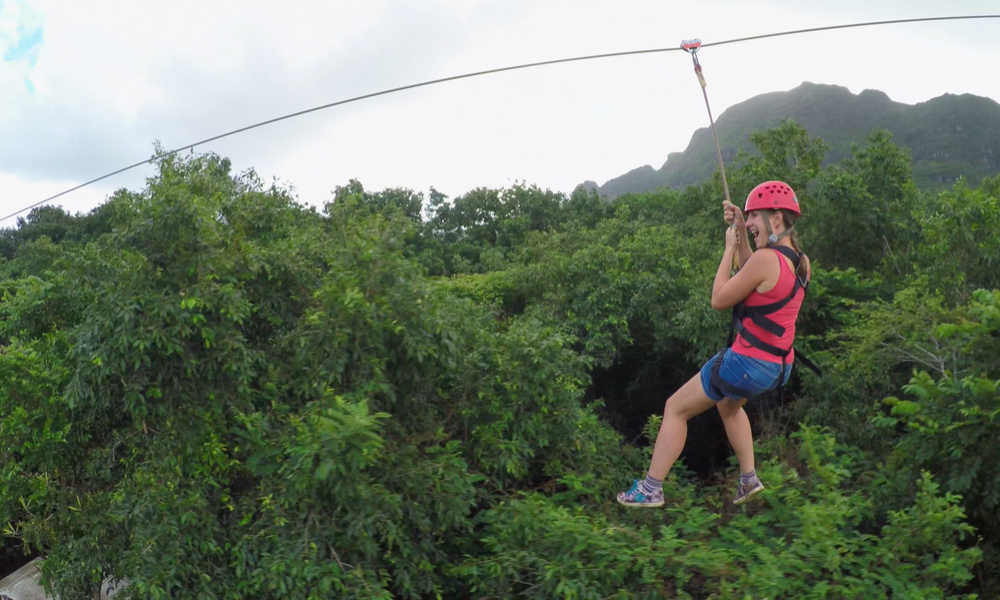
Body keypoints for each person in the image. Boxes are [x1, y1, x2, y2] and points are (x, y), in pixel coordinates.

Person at [617, 180, 812, 508]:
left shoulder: (766, 261)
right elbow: (758, 272)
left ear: (776, 218)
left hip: (747, 363)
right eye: (746, 218)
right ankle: (749, 478)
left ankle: (651, 488)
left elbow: (720, 298)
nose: (749, 224)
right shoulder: (801, 261)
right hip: (779, 366)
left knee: (675, 409)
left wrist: (727, 249)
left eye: (754, 217)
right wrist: (739, 227)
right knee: (728, 405)